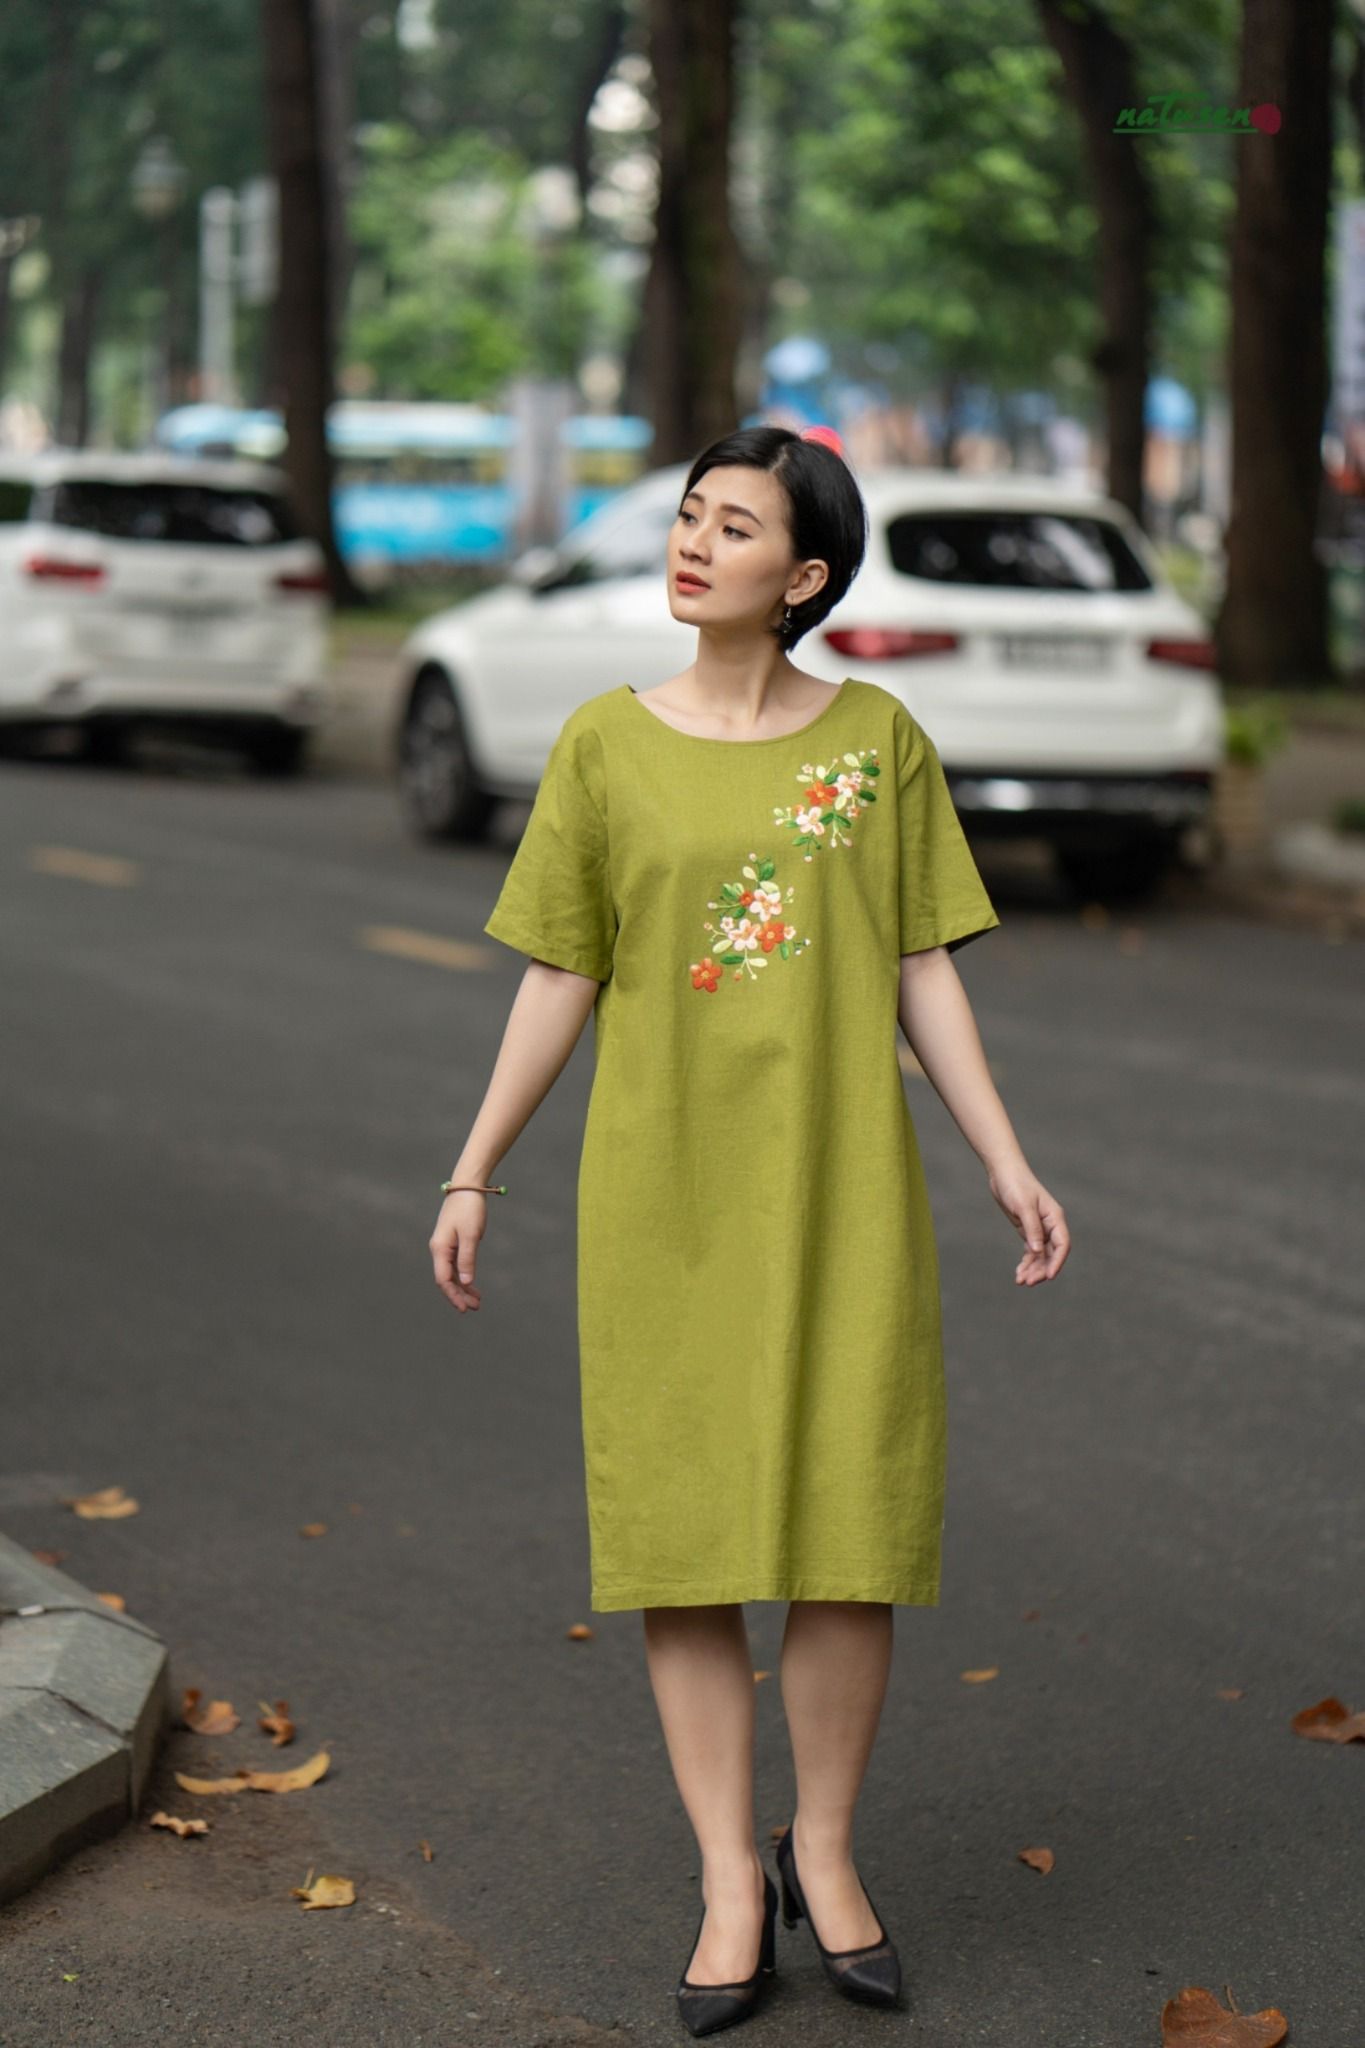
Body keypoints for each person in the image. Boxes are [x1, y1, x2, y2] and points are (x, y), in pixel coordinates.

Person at [429, 423, 1070, 2036]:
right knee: (689, 1535)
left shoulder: (876, 740)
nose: (693, 543)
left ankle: (825, 1853)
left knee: (849, 1526)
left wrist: (1002, 1156)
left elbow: (922, 961)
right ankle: (728, 1876)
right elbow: (560, 967)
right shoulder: (601, 743)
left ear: (801, 578)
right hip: (665, 1196)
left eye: (734, 529)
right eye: (689, 515)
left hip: (843, 1187)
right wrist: (474, 1166)